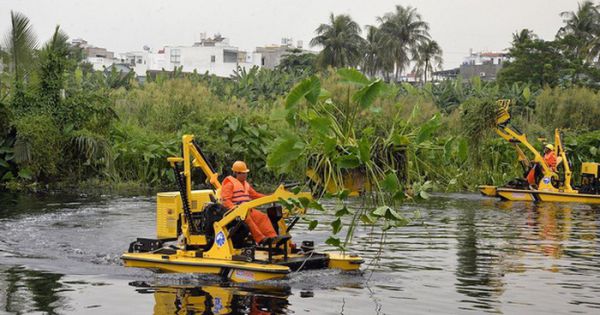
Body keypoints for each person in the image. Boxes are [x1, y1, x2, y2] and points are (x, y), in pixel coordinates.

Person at [221, 161, 277, 245]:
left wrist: (270, 197)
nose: (245, 175)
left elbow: (255, 195)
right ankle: (261, 239)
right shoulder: (229, 184)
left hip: (247, 210)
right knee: (248, 219)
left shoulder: (246, 184)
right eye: (243, 173)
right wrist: (234, 208)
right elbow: (225, 200)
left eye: (246, 173)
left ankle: (273, 237)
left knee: (262, 217)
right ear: (236, 173)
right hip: (236, 212)